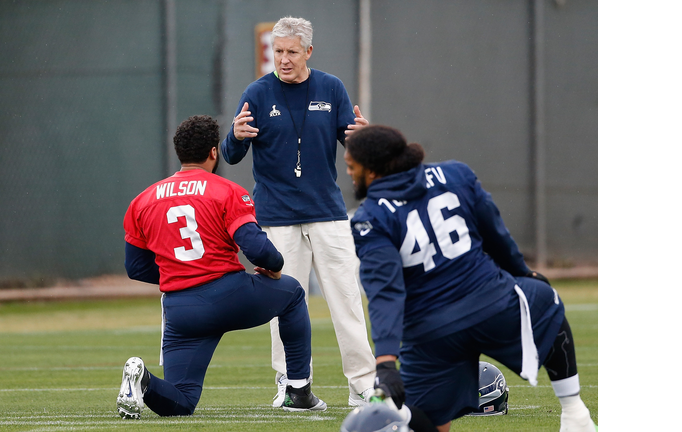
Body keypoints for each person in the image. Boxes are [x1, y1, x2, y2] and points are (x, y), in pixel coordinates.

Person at [343, 125, 597, 432]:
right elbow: (494, 232)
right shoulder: (456, 174)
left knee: (426, 417)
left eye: (351, 166)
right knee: (543, 298)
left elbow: (386, 292)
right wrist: (522, 272)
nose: (348, 174)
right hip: (492, 304)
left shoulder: (369, 217)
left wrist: (385, 360)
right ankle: (574, 413)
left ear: (371, 171)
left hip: (432, 332)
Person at [117, 115, 326, 419]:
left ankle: (144, 381)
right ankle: (297, 390)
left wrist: (179, 271)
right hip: (227, 294)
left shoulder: (142, 200)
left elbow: (135, 267)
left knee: (182, 402)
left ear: (179, 152)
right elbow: (258, 249)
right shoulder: (225, 190)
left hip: (180, 310)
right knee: (292, 293)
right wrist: (276, 267)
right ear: (214, 152)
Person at [221, 15, 377, 408]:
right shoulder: (256, 93)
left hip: (328, 214)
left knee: (347, 302)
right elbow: (231, 154)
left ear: (308, 51)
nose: (284, 59)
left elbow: (354, 144)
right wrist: (235, 136)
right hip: (275, 218)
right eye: (278, 51)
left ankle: (363, 386)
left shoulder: (331, 87)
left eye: (292, 51)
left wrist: (364, 137)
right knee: (283, 307)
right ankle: (290, 384)